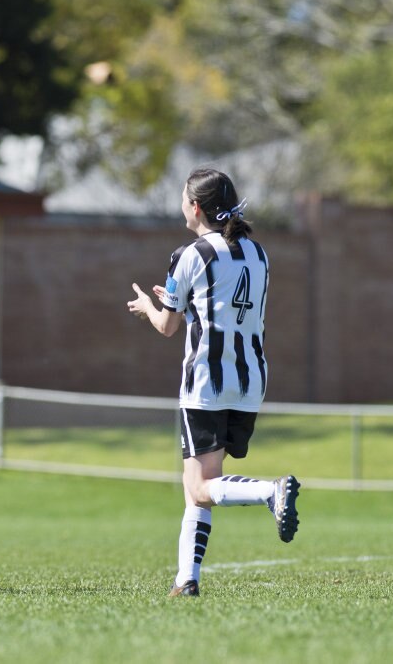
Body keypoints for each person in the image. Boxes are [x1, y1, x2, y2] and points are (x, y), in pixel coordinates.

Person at [127, 167, 299, 598]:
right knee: (197, 488)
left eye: (184, 198)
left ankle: (270, 491)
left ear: (196, 207)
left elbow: (168, 326)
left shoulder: (189, 254)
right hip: (250, 380)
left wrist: (148, 306)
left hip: (206, 379)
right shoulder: (259, 254)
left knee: (201, 486)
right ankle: (187, 580)